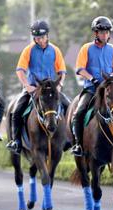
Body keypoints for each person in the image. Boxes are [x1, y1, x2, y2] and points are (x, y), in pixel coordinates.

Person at [6, 20, 69, 154]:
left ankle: (69, 140)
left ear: (47, 35)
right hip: (33, 88)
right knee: (17, 111)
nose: (40, 40)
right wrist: (26, 85)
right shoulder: (28, 50)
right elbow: (20, 70)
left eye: (42, 37)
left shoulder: (55, 50)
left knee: (69, 106)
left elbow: (62, 71)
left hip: (51, 89)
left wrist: (60, 85)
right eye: (37, 38)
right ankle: (16, 141)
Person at [71, 16, 113, 157]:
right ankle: (78, 144)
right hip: (91, 89)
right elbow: (80, 68)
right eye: (102, 32)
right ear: (96, 33)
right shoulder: (86, 48)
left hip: (109, 89)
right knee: (79, 112)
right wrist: (93, 79)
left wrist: (111, 77)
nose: (105, 35)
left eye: (107, 32)